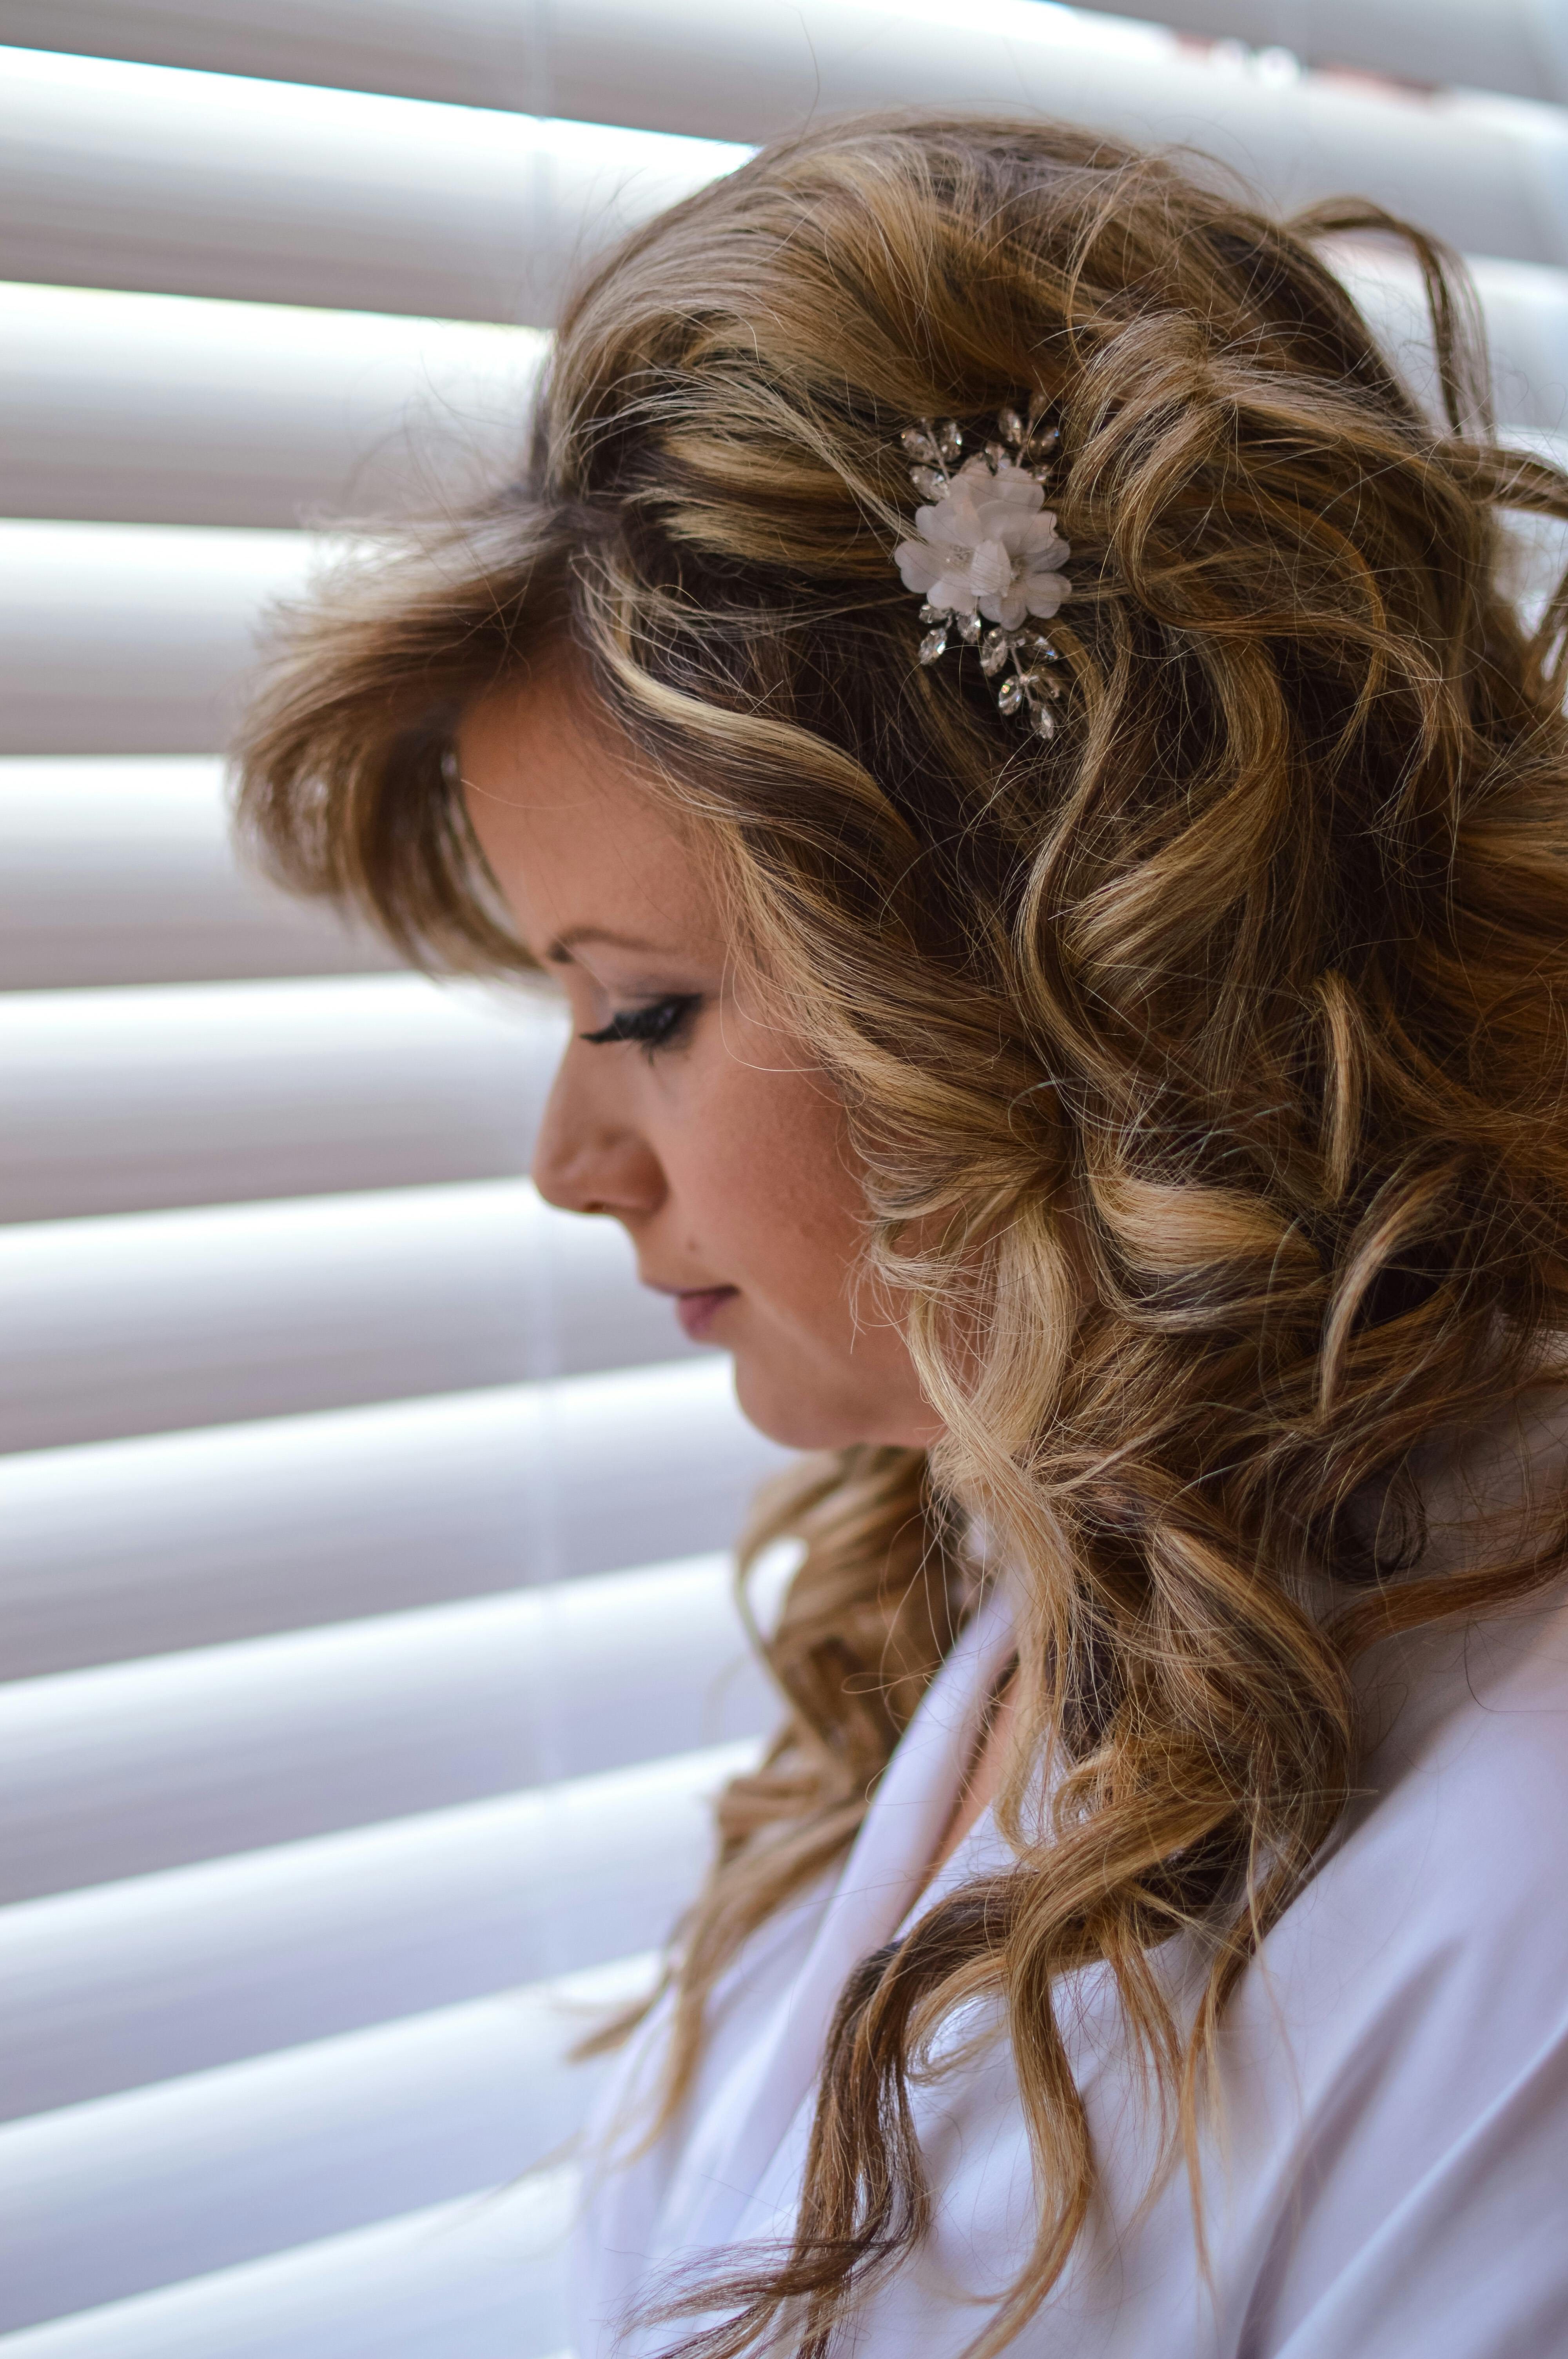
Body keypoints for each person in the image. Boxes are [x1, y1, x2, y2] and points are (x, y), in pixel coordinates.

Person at [236, 116, 1568, 2358]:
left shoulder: (1515, 1889)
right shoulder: (994, 1585)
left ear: (1045, 973)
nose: (574, 1154)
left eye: (642, 1013)